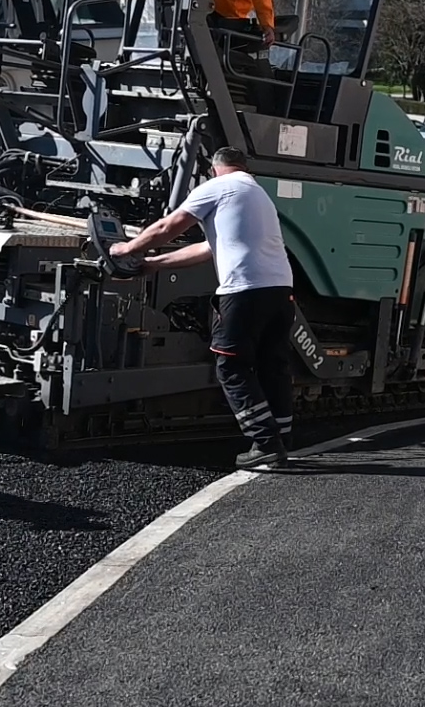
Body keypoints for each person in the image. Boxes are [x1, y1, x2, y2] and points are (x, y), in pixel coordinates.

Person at [108, 147, 297, 469]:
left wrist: (127, 247)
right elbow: (207, 248)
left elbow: (169, 227)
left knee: (231, 365)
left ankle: (265, 444)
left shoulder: (218, 187)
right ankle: (280, 437)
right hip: (280, 292)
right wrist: (155, 264)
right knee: (271, 365)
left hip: (245, 292)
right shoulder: (256, 194)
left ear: (213, 169)